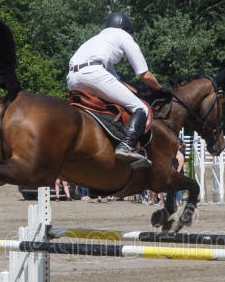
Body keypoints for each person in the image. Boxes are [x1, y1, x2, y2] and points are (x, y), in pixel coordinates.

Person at [67, 12, 171, 167]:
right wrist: (160, 87)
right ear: (126, 28)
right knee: (140, 107)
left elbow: (116, 80)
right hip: (93, 74)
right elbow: (145, 75)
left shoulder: (96, 39)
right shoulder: (123, 36)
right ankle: (126, 145)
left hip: (72, 78)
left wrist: (134, 91)